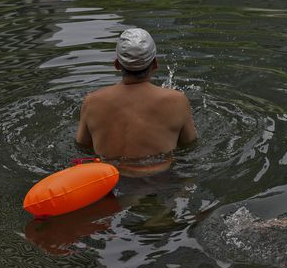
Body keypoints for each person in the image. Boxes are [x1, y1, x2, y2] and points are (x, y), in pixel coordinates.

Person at [75, 28, 198, 175]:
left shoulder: (92, 102)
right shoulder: (177, 101)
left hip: (111, 182)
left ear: (117, 64)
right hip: (161, 180)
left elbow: (83, 147)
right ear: (155, 64)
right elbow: (190, 145)